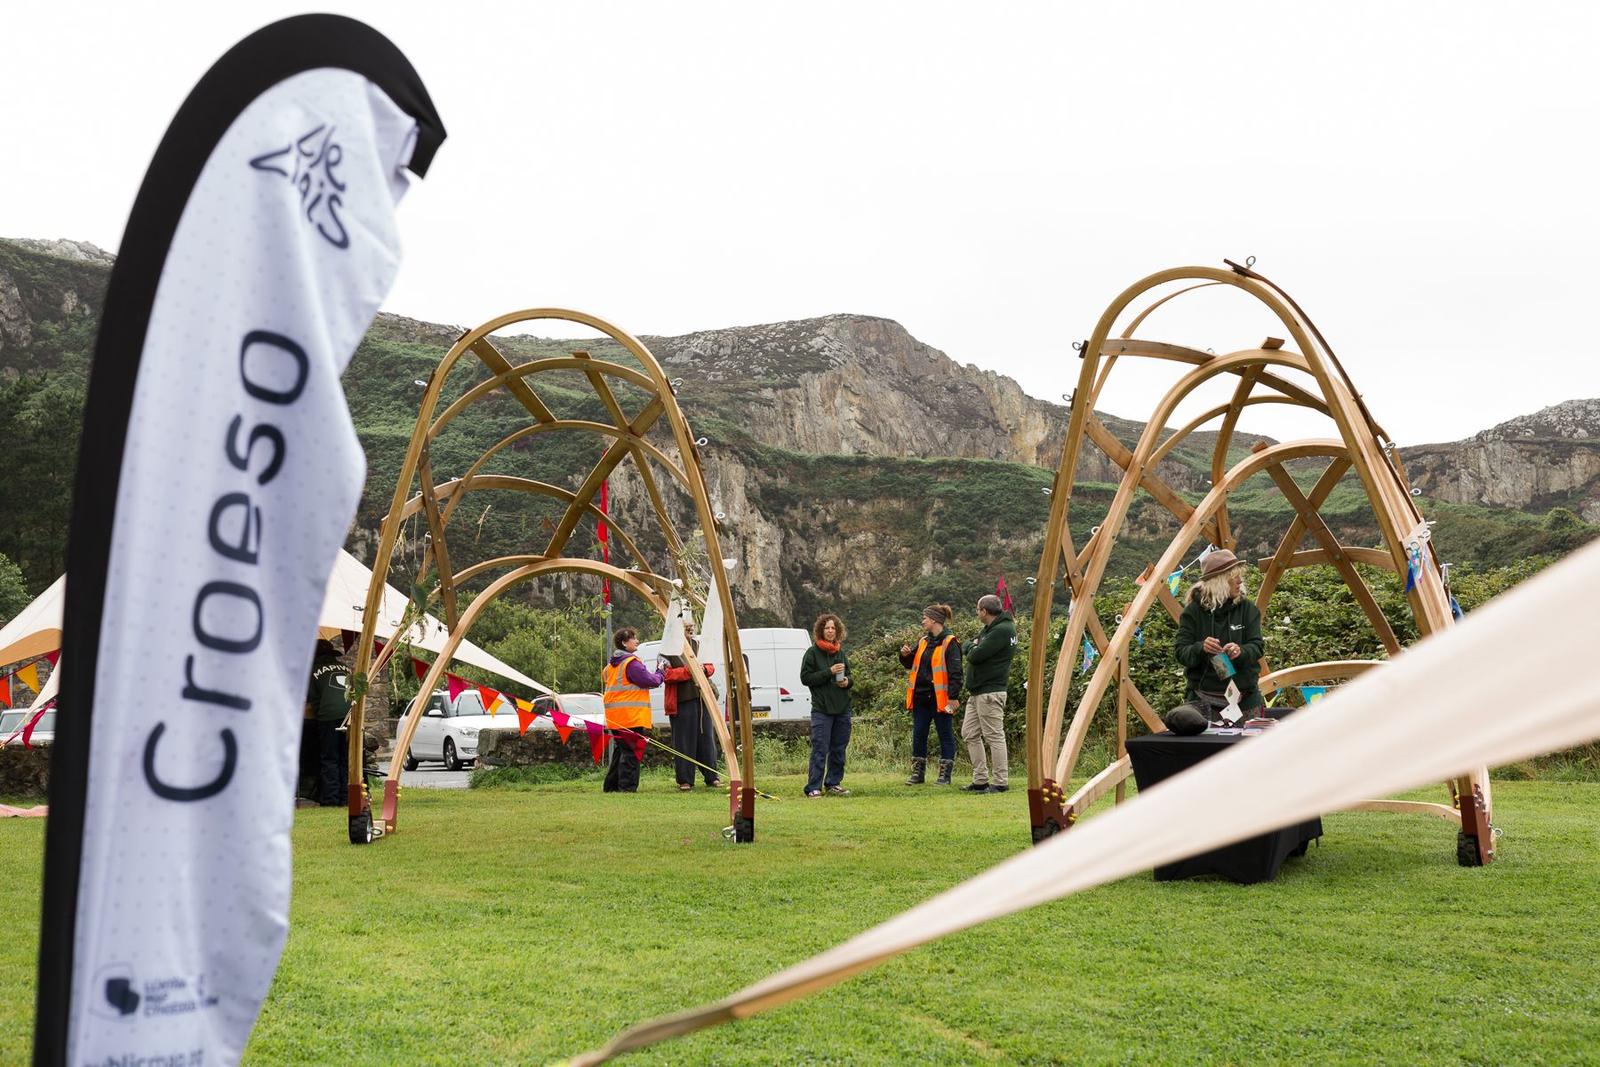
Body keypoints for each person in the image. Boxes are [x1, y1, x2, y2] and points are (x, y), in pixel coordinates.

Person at [1173, 549, 1266, 723]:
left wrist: (1241, 651)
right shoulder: (1192, 612)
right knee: (1206, 751)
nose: (1240, 581)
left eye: (1240, 576)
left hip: (1245, 700)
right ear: (1219, 582)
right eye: (1234, 576)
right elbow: (1181, 652)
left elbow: (1257, 646)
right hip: (1201, 702)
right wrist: (1201, 648)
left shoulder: (1247, 609)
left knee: (1249, 749)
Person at [898, 604, 964, 786]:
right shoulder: (923, 641)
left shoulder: (950, 642)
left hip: (941, 699)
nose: (922, 621)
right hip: (920, 698)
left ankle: (945, 776)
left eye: (925, 618)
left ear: (934, 620)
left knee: (945, 735)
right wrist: (904, 655)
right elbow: (910, 663)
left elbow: (956, 673)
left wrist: (953, 697)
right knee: (919, 734)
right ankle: (918, 774)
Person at [960, 594, 1016, 794]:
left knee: (994, 735)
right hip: (978, 691)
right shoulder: (991, 630)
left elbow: (975, 655)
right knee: (969, 733)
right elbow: (977, 648)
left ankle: (1000, 781)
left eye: (977, 609)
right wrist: (974, 644)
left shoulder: (1001, 630)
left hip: (990, 691)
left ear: (984, 611)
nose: (977, 613)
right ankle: (980, 779)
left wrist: (970, 645)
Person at [662, 618, 722, 791]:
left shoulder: (699, 645)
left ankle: (712, 777)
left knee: (707, 740)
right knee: (684, 742)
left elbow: (710, 666)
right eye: (686, 626)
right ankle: (685, 780)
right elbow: (666, 674)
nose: (690, 628)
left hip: (702, 700)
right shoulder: (667, 650)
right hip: (682, 702)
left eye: (691, 626)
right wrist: (690, 671)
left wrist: (704, 669)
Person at [799, 613, 854, 798]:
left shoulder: (840, 652)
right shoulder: (812, 653)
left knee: (839, 748)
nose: (830, 631)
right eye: (827, 628)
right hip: (822, 710)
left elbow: (851, 676)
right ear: (821, 631)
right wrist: (828, 672)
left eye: (833, 628)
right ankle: (813, 786)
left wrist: (846, 681)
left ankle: (833, 783)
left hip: (842, 708)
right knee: (820, 748)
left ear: (837, 631)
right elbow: (805, 678)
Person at [603, 627, 664, 793]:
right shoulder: (632, 663)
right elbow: (650, 680)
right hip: (630, 716)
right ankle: (627, 788)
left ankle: (611, 786)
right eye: (633, 638)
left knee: (620, 751)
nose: (637, 641)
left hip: (615, 717)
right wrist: (660, 671)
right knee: (631, 753)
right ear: (624, 643)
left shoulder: (610, 667)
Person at [306, 638, 350, 807]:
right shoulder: (345, 668)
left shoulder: (314, 670)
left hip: (328, 717)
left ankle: (331, 799)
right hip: (350, 715)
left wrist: (317, 715)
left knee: (329, 758)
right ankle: (346, 797)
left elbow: (313, 698)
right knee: (346, 758)